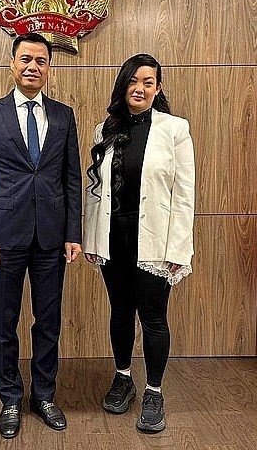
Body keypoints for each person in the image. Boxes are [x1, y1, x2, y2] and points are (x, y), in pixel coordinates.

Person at [0, 32, 82, 439]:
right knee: (4, 322)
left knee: (48, 321)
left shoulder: (65, 116)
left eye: (41, 60)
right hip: (4, 236)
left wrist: (73, 232)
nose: (33, 66)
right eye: (26, 58)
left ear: (49, 68)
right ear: (12, 63)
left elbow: (71, 179)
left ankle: (44, 395)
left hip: (52, 237)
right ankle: (11, 400)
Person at [83, 53, 195, 433]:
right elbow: (94, 194)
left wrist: (179, 250)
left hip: (155, 242)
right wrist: (91, 240)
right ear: (123, 84)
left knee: (153, 317)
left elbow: (184, 196)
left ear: (158, 88)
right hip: (113, 238)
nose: (140, 88)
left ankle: (154, 391)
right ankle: (123, 377)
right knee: (119, 312)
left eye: (149, 82)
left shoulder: (175, 129)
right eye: (134, 80)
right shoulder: (105, 129)